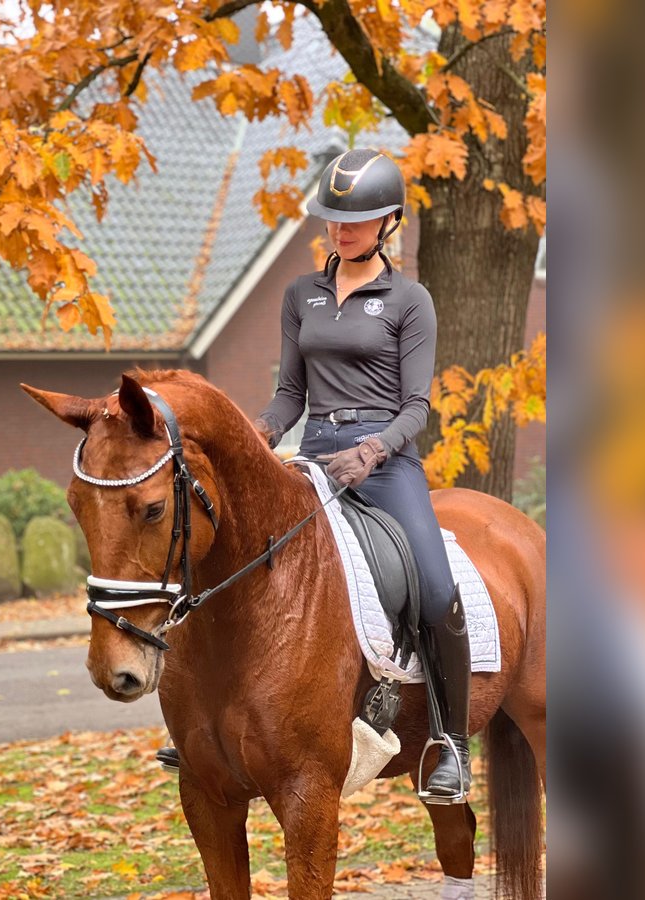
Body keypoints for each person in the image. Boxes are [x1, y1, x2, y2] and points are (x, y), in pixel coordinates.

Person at [158, 148, 471, 805]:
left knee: (439, 590)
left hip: (386, 463)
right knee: (221, 557)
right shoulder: (302, 295)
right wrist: (256, 436)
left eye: (353, 220)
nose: (338, 230)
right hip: (315, 455)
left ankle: (449, 743)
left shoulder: (410, 301)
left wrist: (376, 451)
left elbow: (417, 405)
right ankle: (200, 720)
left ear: (389, 221)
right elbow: (289, 396)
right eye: (331, 219)